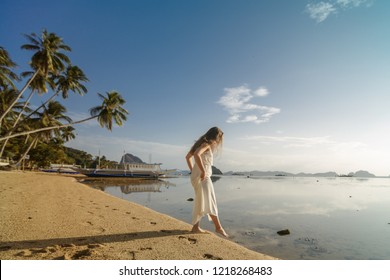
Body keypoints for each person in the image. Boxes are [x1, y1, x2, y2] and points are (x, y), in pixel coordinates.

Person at [185, 127, 228, 238]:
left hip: (197, 177)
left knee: (201, 201)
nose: (218, 142)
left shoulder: (199, 143)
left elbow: (187, 157)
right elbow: (196, 155)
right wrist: (202, 171)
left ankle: (195, 228)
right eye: (219, 138)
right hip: (203, 177)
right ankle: (219, 228)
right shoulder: (206, 144)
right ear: (215, 137)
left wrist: (193, 171)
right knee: (210, 201)